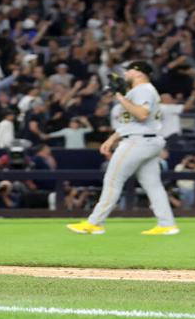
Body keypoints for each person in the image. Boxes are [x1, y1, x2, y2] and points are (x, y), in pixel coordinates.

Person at [67, 61, 179, 236]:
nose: (125, 73)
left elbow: (142, 115)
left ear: (138, 72)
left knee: (113, 181)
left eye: (128, 70)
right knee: (153, 185)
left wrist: (120, 97)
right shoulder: (140, 91)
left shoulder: (143, 89)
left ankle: (94, 223)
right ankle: (167, 224)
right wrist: (112, 139)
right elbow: (131, 122)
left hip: (137, 142)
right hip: (147, 140)